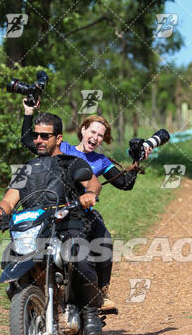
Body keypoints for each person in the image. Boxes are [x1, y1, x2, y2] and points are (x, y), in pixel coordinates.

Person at [21, 102, 152, 312]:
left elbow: (124, 184)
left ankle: (102, 291)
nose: (96, 138)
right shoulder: (63, 148)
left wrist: (136, 165)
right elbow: (30, 141)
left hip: (81, 211)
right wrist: (29, 112)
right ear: (82, 130)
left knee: (103, 239)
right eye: (93, 131)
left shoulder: (101, 161)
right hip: (54, 207)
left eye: (101, 135)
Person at [0, 112, 104, 335]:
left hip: (67, 224)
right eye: (36, 136)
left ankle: (90, 310)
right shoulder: (28, 168)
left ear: (58, 138)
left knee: (77, 254)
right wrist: (0, 215)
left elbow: (93, 183)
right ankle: (25, 303)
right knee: (9, 256)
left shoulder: (73, 163)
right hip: (35, 229)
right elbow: (8, 200)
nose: (38, 140)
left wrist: (89, 194)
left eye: (44, 136)